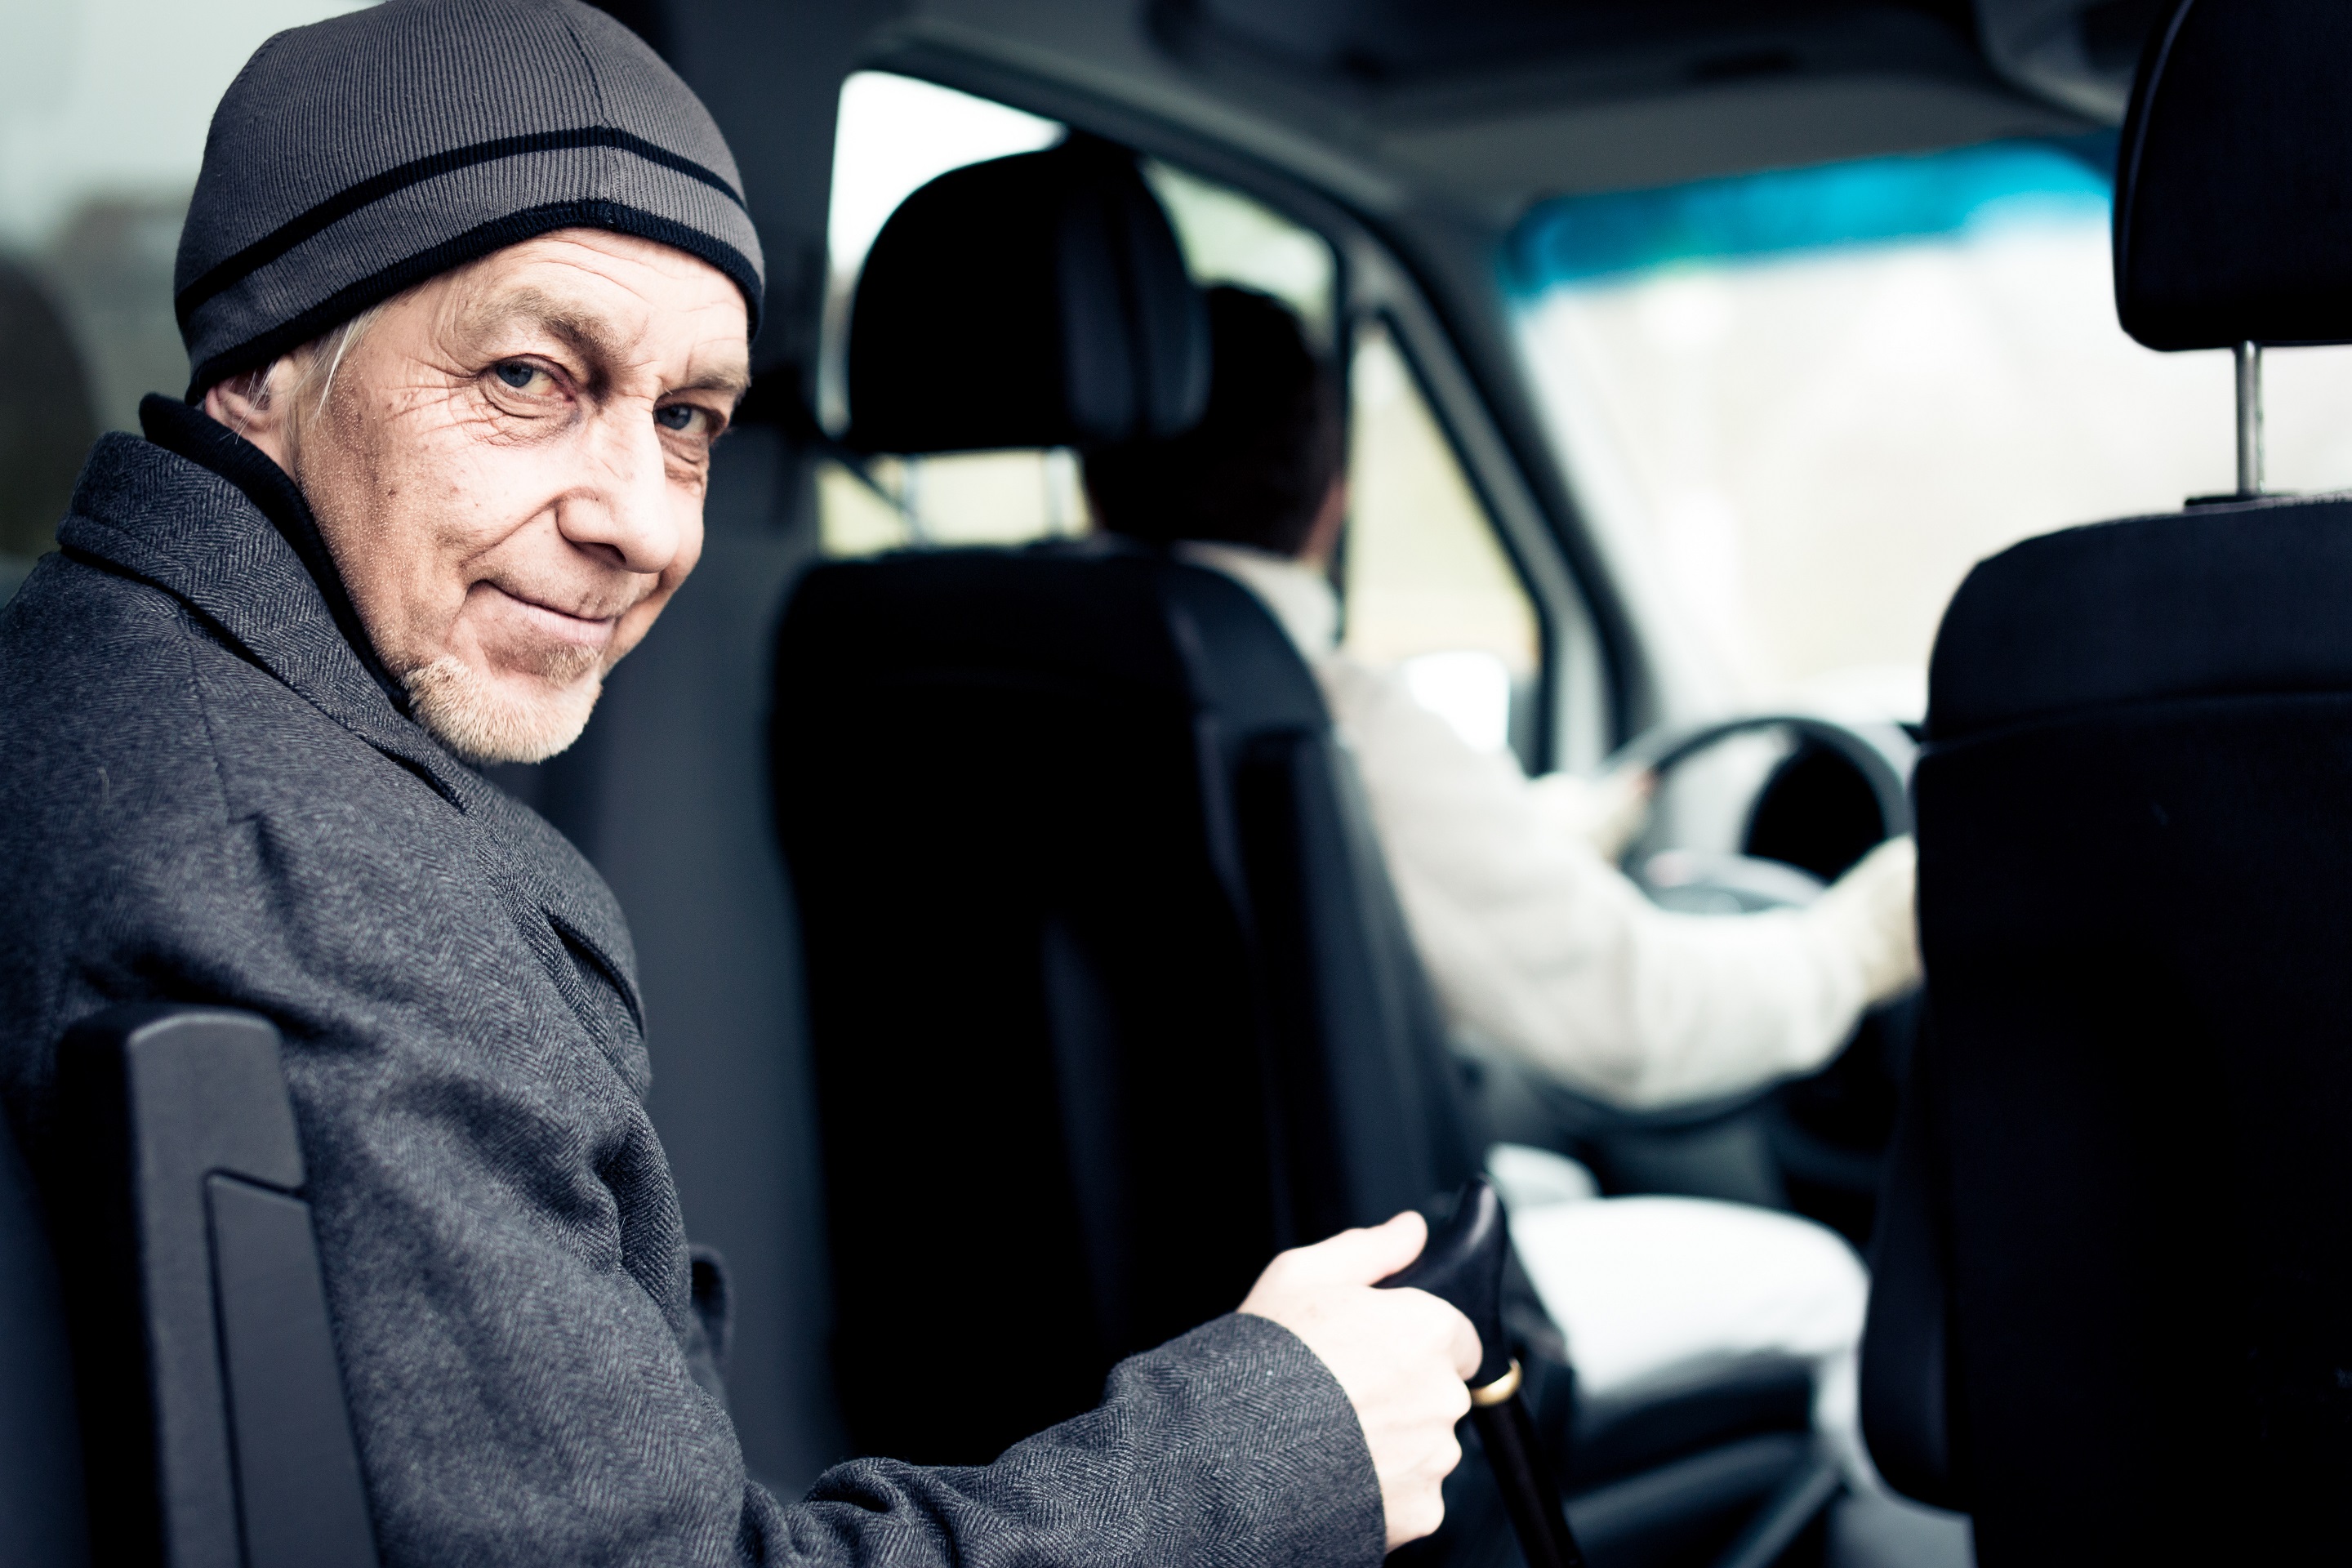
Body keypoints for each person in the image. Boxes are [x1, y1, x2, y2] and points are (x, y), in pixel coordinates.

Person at [0, 5, 1482, 1564]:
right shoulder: (309, 883)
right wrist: (1287, 1429)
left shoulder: (85, 680)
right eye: (526, 376)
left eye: (689, 418)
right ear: (262, 372)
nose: (645, 521)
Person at [1084, 284, 1922, 1480]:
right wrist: (1864, 942)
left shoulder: (1011, 665)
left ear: (1094, 480)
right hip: (1343, 1323)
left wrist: (1534, 837)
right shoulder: (1332, 715)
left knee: (1549, 1175)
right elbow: (1644, 1026)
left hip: (1121, 1280)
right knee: (1833, 1284)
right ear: (1330, 500)